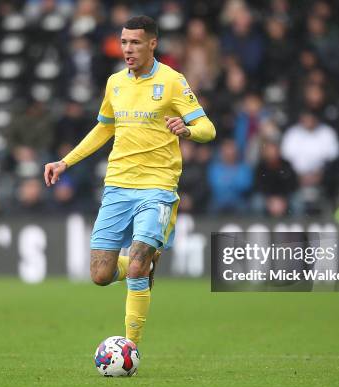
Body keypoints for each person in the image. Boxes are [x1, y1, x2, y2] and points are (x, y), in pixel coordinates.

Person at [43, 16, 215, 345]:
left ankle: (130, 347)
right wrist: (65, 162)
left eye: (135, 42)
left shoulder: (173, 81)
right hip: (118, 186)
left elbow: (209, 128)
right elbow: (104, 128)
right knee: (100, 274)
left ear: (153, 43)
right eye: (124, 42)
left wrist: (188, 129)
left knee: (134, 269)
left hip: (157, 186)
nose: (127, 49)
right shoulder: (114, 84)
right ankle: (145, 264)